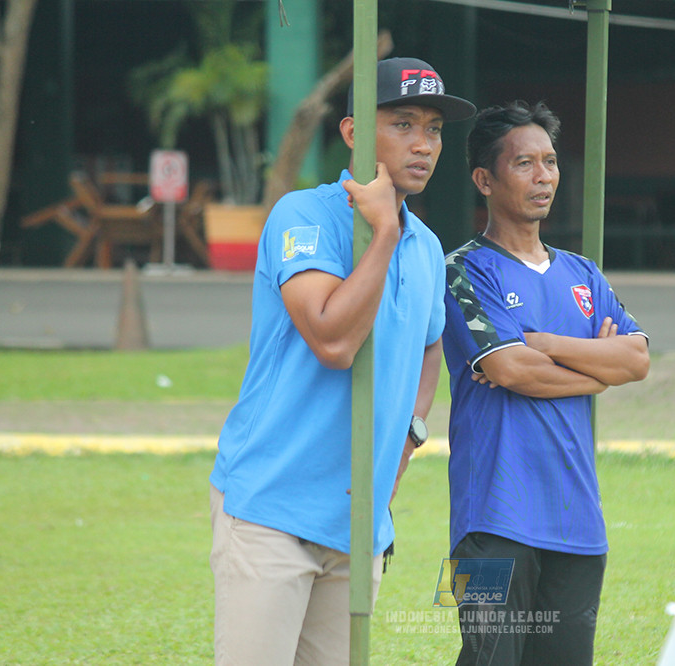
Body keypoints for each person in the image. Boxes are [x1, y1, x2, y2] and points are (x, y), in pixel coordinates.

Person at [209, 57, 474, 665]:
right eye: (403, 123)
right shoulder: (302, 216)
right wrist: (381, 233)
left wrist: (407, 439)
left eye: (433, 129)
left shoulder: (427, 247)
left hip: (358, 527)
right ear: (353, 134)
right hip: (271, 510)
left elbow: (431, 345)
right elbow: (332, 342)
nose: (423, 144)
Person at [442, 101, 650, 665]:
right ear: (485, 179)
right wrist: (593, 369)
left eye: (552, 162)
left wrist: (548, 343)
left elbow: (635, 359)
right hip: (490, 521)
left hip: (577, 523)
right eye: (525, 164)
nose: (544, 177)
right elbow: (511, 370)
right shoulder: (461, 271)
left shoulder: (583, 274)